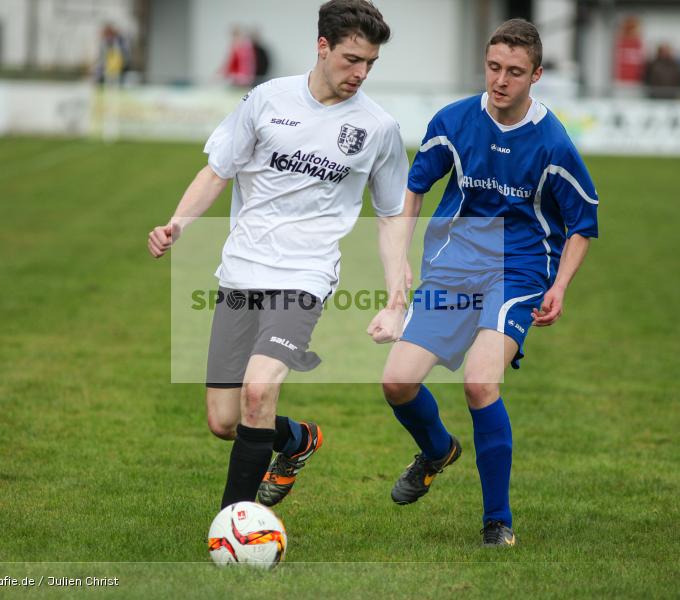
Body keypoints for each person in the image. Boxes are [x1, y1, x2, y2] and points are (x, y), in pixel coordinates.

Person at [148, 0, 408, 511]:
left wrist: (397, 299)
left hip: (305, 276)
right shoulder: (267, 100)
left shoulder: (378, 128)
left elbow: (393, 216)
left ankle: (234, 524)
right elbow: (217, 170)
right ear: (323, 47)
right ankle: (295, 440)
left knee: (258, 389)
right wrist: (178, 223)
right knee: (225, 420)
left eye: (370, 63)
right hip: (241, 270)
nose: (361, 73)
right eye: (352, 59)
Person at [378, 18, 599, 547]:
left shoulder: (553, 143)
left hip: (519, 270)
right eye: (494, 67)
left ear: (536, 75)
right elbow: (415, 187)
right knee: (396, 382)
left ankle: (496, 521)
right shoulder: (453, 121)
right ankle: (437, 450)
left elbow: (583, 223)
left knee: (480, 382)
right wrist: (401, 259)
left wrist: (560, 286)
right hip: (454, 266)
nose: (501, 80)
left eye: (515, 72)